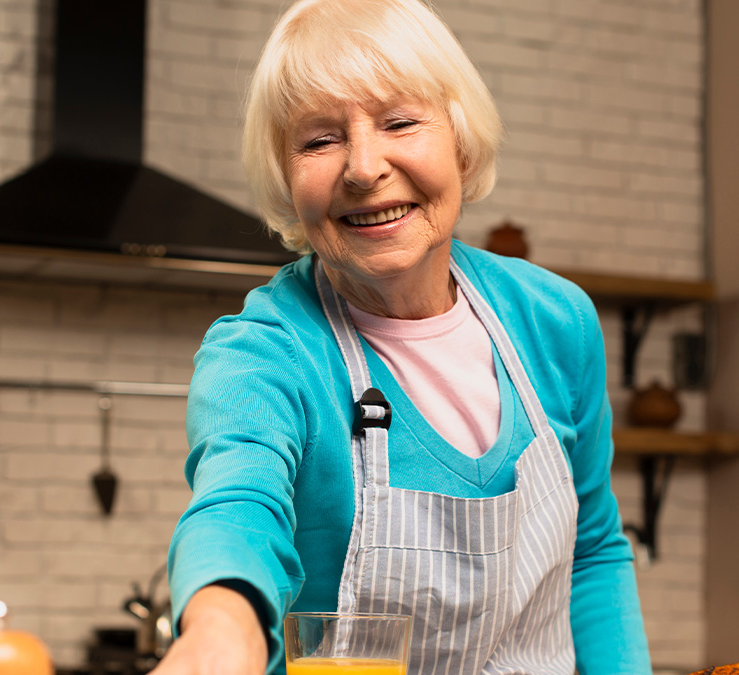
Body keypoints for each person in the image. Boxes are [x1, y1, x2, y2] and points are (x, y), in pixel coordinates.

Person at [154, 0, 652, 673]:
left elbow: (592, 550)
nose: (363, 167)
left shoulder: (555, 321)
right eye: (320, 140)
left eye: (400, 122)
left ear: (460, 138)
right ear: (286, 174)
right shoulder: (265, 351)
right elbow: (238, 507)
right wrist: (222, 633)